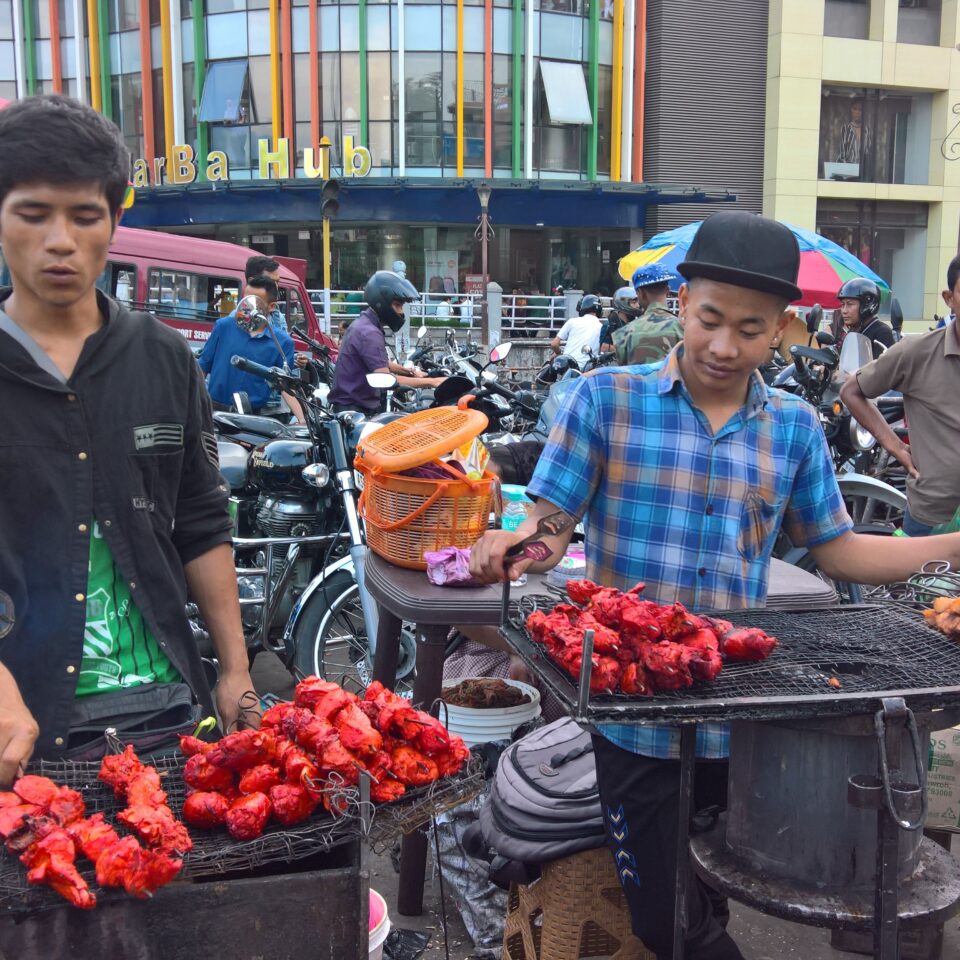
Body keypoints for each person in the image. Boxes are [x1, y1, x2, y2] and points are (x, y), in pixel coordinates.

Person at [469, 210, 960, 960]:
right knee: (662, 921)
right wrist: (518, 544)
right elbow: (551, 527)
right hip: (634, 721)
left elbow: (840, 552)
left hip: (742, 718)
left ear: (782, 328)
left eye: (751, 329)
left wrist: (953, 545)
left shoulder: (794, 427)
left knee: (715, 890)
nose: (725, 346)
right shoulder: (605, 400)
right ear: (681, 302)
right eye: (709, 320)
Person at [0, 94, 257, 783]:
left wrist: (234, 669)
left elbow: (201, 519)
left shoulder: (164, 356)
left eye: (85, 216)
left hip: (166, 709)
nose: (60, 240)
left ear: (115, 221)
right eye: (33, 214)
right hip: (23, 728)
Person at [840, 255, 960, 537]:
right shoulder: (917, 352)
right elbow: (851, 391)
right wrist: (896, 447)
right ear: (949, 298)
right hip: (931, 516)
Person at [328, 271, 445, 416]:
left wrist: (411, 373)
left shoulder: (364, 324)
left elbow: (380, 361)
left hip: (351, 407)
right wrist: (433, 382)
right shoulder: (369, 333)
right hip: (354, 413)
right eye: (397, 305)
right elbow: (386, 380)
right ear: (381, 302)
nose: (401, 312)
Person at [198, 276, 303, 420]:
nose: (247, 305)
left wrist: (302, 419)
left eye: (255, 301)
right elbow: (203, 367)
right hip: (214, 413)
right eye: (245, 299)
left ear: (271, 306)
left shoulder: (282, 342)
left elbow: (286, 386)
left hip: (252, 418)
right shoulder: (223, 327)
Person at [611, 263, 684, 365]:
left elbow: (621, 371)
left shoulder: (624, 334)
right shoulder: (683, 328)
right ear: (667, 290)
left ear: (641, 293)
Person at [837, 277, 894, 359]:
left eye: (850, 304)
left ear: (866, 305)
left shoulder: (882, 332)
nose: (844, 311)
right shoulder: (854, 332)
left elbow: (881, 365)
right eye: (842, 305)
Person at [551, 293, 603, 361]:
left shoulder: (572, 321)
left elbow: (554, 344)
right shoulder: (602, 327)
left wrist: (559, 353)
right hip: (587, 366)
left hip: (567, 363)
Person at [244, 254, 287, 333]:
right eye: (270, 282)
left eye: (277, 282)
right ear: (252, 281)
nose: (276, 287)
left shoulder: (278, 317)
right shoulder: (231, 323)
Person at [600, 285, 640, 354]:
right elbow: (603, 347)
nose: (637, 305)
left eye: (638, 302)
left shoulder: (637, 322)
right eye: (634, 302)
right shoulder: (611, 324)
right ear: (623, 304)